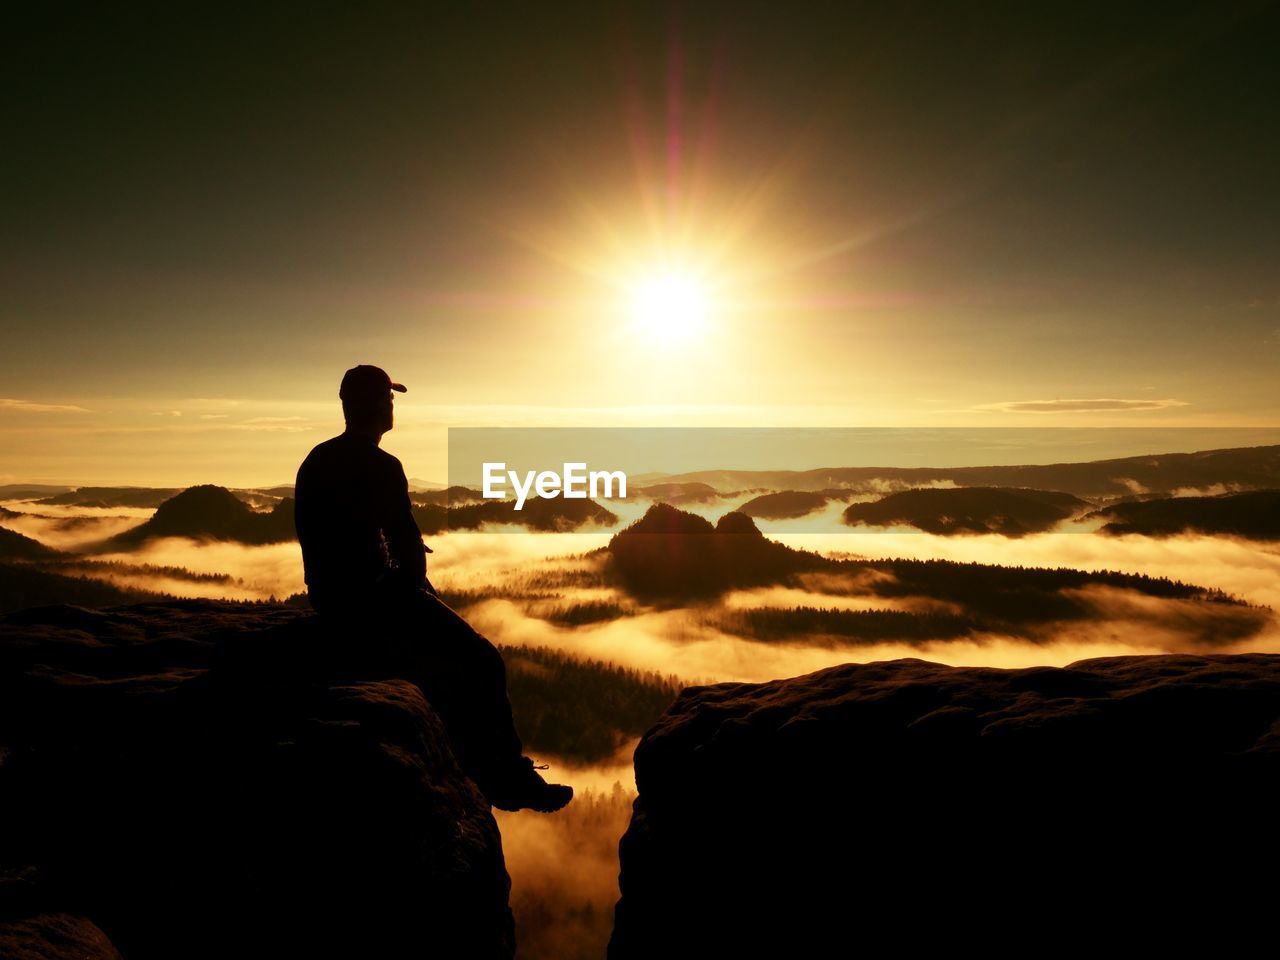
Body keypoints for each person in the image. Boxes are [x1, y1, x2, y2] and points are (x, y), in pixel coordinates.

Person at [294, 364, 573, 813]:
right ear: (369, 405)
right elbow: (406, 548)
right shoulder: (381, 465)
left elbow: (314, 537)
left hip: (330, 598)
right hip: (374, 599)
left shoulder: (316, 459)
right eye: (388, 398)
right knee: (483, 660)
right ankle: (505, 776)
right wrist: (419, 592)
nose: (392, 406)